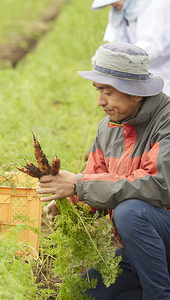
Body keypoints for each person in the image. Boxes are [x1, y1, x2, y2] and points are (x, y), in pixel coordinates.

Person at [37, 41, 170, 298]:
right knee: (83, 292)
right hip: (140, 251)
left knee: (131, 212)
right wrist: (72, 202)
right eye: (97, 90)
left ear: (135, 92)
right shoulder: (107, 128)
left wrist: (79, 186)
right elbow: (95, 179)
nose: (100, 101)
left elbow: (158, 185)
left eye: (107, 92)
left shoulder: (166, 121)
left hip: (159, 236)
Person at [91, 0, 170, 95]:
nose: (112, 5)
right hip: (139, 71)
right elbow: (115, 41)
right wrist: (99, 59)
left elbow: (152, 44)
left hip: (163, 68)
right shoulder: (120, 8)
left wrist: (118, 58)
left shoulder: (154, 5)